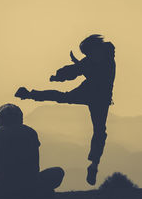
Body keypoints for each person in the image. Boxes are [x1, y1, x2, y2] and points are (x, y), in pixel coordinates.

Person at [15, 34, 115, 186]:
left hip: (98, 97)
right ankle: (30, 94)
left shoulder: (104, 59)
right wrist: (59, 76)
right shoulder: (98, 58)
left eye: (88, 52)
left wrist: (63, 73)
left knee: (99, 130)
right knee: (62, 98)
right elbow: (78, 69)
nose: (88, 55)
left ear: (96, 48)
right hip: (93, 94)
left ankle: (94, 165)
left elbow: (81, 69)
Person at [0, 103, 64, 198]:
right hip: (32, 187)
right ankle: (41, 191)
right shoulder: (30, 133)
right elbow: (35, 163)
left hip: (2, 189)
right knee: (58, 171)